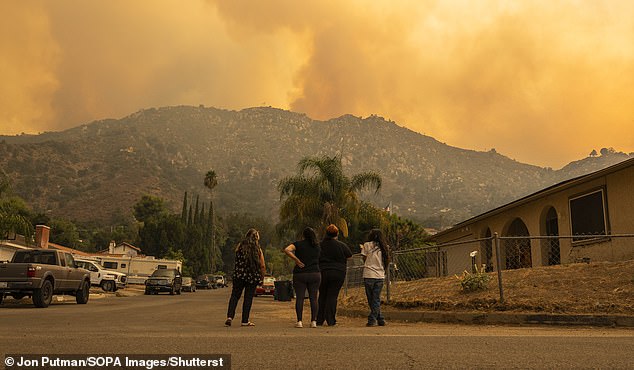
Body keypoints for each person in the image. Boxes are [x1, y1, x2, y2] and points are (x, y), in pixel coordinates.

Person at [225, 228, 266, 327]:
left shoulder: (239, 246)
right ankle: (244, 321)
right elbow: (262, 265)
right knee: (248, 298)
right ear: (256, 238)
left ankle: (230, 317)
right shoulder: (257, 249)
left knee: (235, 296)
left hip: (239, 275)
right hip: (252, 277)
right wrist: (262, 277)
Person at [284, 227, 321, 328]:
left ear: (303, 235)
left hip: (300, 274)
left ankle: (299, 321)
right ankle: (313, 321)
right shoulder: (317, 246)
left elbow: (287, 250)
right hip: (315, 273)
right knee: (314, 298)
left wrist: (296, 260)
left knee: (300, 297)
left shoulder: (298, 244)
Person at [317, 224, 352, 326]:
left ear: (326, 233)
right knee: (332, 296)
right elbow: (349, 256)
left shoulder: (320, 245)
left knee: (322, 295)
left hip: (322, 272)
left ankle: (319, 319)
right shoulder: (341, 245)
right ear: (337, 234)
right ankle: (331, 320)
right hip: (338, 273)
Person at [361, 229, 390, 327]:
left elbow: (364, 258)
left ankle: (372, 319)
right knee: (376, 298)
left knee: (371, 299)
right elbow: (386, 261)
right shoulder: (384, 247)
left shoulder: (367, 245)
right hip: (380, 275)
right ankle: (380, 318)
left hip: (368, 274)